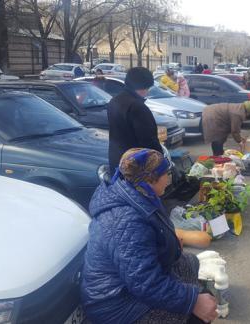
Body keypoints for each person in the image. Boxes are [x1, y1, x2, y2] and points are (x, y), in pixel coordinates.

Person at [81, 148, 218, 324]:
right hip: (118, 306)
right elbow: (145, 283)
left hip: (130, 286)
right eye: (166, 174)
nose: (169, 179)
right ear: (150, 179)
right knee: (199, 313)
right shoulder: (125, 220)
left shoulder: (136, 193)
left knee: (191, 263)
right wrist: (192, 301)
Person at [107, 67, 162, 172]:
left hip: (117, 159)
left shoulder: (114, 101)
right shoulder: (137, 107)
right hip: (136, 165)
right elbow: (148, 141)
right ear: (143, 86)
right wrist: (160, 161)